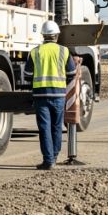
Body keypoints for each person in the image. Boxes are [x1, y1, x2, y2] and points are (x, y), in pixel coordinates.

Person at [25, 20, 76, 170]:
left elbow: (27, 75)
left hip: (40, 96)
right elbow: (72, 73)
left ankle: (48, 161)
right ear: (57, 35)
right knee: (56, 127)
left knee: (44, 128)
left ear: (43, 35)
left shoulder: (35, 52)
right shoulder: (64, 51)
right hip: (59, 95)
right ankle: (54, 156)